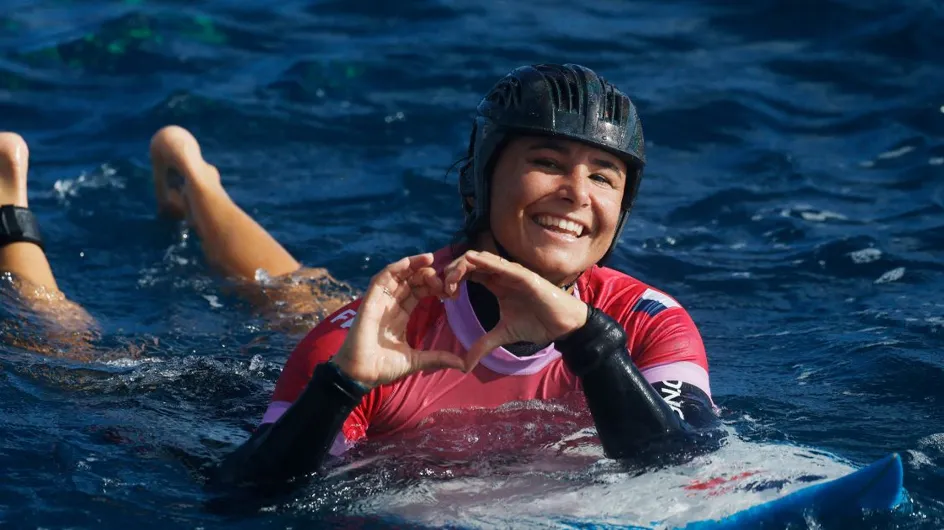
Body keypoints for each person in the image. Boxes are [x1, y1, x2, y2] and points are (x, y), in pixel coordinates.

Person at [0, 63, 718, 489]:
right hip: (263, 404)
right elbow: (243, 501)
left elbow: (680, 461)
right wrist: (343, 383)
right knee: (83, 365)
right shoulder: (374, 330)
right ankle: (10, 212)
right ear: (479, 183)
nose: (576, 192)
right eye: (547, 162)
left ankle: (197, 182)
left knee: (294, 294)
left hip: (398, 333)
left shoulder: (649, 320)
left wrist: (586, 338)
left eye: (603, 174)